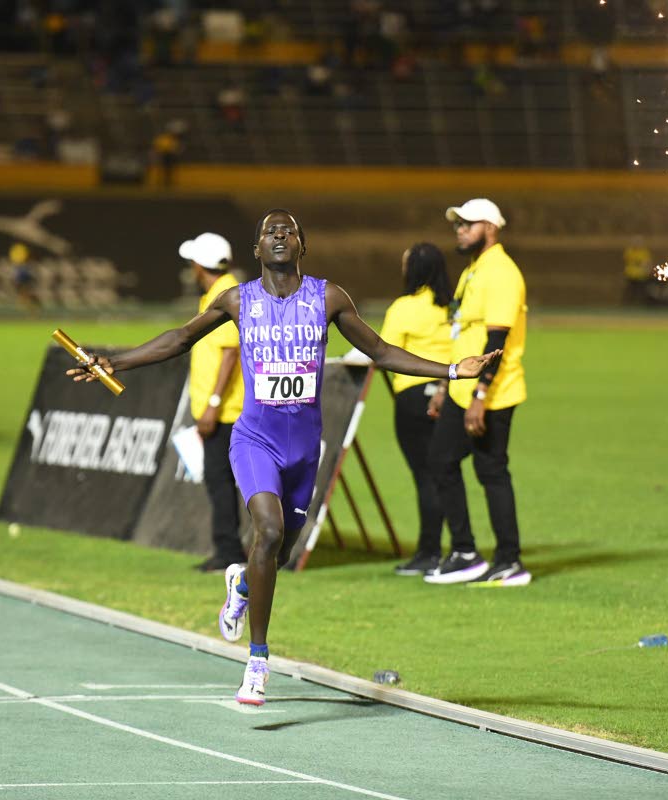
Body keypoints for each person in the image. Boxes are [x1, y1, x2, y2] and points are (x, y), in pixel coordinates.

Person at [69, 209, 499, 705]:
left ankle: (242, 586)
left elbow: (381, 352)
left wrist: (451, 370)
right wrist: (114, 360)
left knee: (280, 554)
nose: (277, 235)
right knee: (268, 532)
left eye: (287, 230)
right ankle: (257, 661)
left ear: (302, 245)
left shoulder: (328, 298)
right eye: (268, 231)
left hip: (303, 449)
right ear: (256, 250)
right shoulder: (236, 299)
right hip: (254, 439)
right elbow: (180, 339)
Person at [423, 198, 531, 587]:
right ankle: (466, 552)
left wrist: (481, 396)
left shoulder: (501, 272)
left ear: (491, 226)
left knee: (491, 471)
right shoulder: (474, 270)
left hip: (492, 394)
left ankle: (510, 560)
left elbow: (496, 341)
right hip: (461, 390)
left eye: (468, 224)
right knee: (441, 461)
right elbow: (461, 333)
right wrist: (445, 385)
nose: (460, 230)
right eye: (458, 225)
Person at [376, 243, 455, 576]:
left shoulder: (403, 308)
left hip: (411, 398)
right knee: (444, 474)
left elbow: (382, 351)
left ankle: (428, 552)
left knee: (424, 476)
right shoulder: (453, 309)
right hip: (447, 394)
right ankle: (455, 548)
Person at [178, 232, 247, 573]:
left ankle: (229, 551)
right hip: (224, 407)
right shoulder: (220, 292)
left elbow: (230, 353)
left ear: (197, 265)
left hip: (226, 409)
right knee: (223, 480)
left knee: (220, 480)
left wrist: (214, 403)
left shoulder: (223, 294)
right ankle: (231, 549)